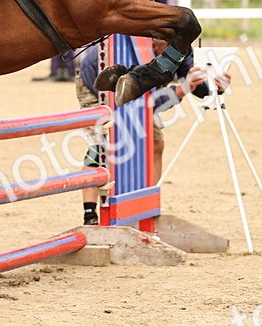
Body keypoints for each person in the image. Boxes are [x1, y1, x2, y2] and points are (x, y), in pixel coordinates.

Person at [75, 48, 231, 225]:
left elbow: (195, 87)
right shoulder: (134, 48)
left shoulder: (182, 46)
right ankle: (90, 214)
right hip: (96, 82)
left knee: (156, 144)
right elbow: (148, 105)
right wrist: (182, 89)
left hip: (141, 92)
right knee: (100, 148)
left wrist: (214, 86)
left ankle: (146, 205)